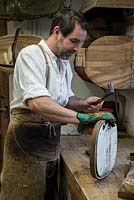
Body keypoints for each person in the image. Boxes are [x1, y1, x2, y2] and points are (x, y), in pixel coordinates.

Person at [0, 9, 115, 200]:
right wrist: (81, 118)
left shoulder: (63, 64)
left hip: (50, 148)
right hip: (25, 149)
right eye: (74, 41)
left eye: (81, 43)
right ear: (57, 32)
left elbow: (64, 99)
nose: (77, 49)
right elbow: (37, 103)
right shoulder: (31, 55)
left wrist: (83, 103)